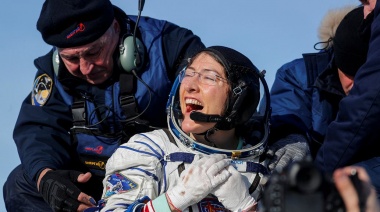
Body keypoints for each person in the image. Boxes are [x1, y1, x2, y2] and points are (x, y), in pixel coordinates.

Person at [2, 0, 205, 211]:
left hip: (165, 177)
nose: (86, 68)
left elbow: (214, 103)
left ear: (116, 30)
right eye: (71, 58)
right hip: (95, 181)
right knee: (22, 183)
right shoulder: (52, 75)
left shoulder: (169, 45)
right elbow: (39, 129)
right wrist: (47, 178)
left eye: (93, 52)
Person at [90, 46, 271, 211]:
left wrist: (246, 207)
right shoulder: (147, 151)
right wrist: (173, 201)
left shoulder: (270, 166)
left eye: (208, 77)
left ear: (240, 100)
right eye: (189, 74)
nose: (190, 86)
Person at [266, 4, 371, 172]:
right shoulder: (297, 76)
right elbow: (284, 115)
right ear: (338, 62)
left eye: (366, 76)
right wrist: (293, 139)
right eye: (350, 72)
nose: (357, 83)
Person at [315, 0, 380, 198]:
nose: (367, 11)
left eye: (367, 2)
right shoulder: (301, 75)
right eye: (349, 72)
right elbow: (287, 120)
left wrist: (317, 182)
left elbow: (369, 97)